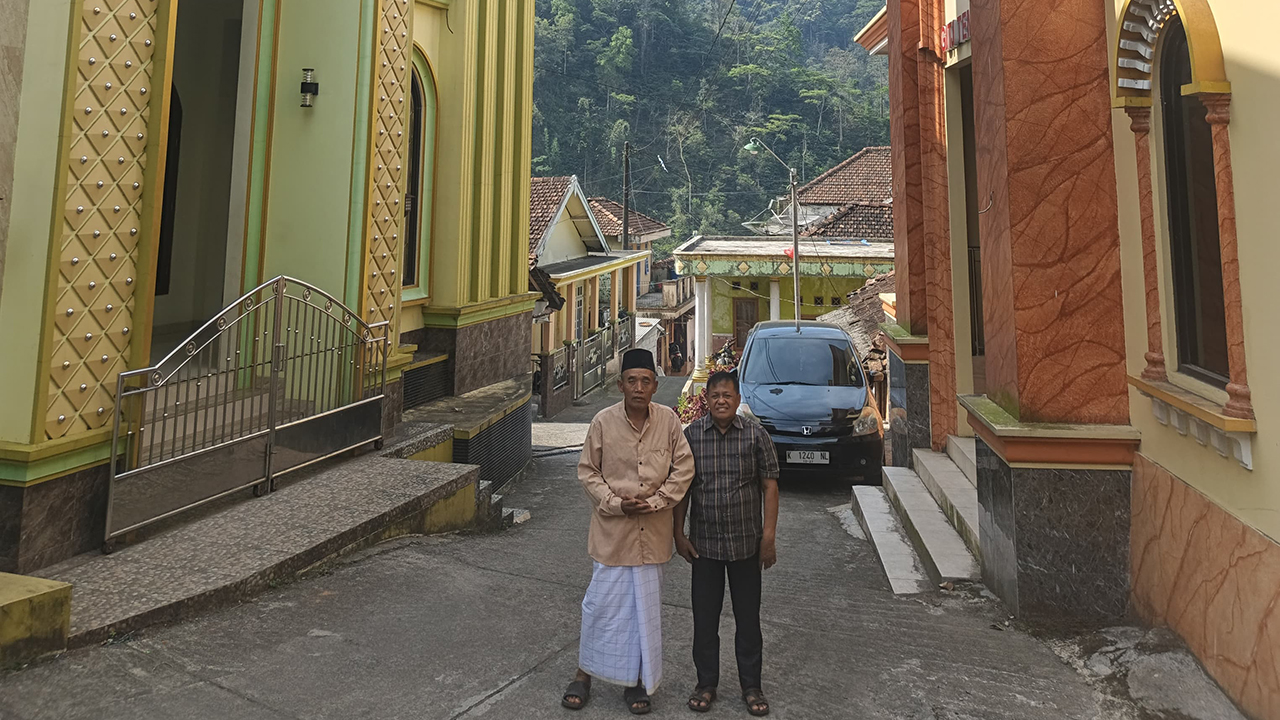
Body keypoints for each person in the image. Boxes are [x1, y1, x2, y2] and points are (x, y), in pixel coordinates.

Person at [562, 348, 696, 715]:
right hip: (612, 534)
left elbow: (683, 469)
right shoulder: (603, 423)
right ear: (620, 384)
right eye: (632, 381)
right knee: (599, 607)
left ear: (656, 385)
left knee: (644, 612)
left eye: (646, 381)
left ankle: (636, 680)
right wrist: (615, 503)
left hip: (653, 535)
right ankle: (584, 673)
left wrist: (656, 502)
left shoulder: (669, 422)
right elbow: (588, 471)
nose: (639, 387)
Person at [673, 370, 780, 717]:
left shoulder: (755, 435)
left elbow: (770, 486)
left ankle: (752, 686)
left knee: (748, 621)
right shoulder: (691, 437)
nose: (721, 401)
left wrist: (768, 537)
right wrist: (679, 534)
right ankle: (706, 684)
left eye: (727, 395)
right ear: (706, 398)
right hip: (704, 547)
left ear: (737, 398)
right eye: (715, 395)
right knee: (705, 621)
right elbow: (683, 490)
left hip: (746, 547)